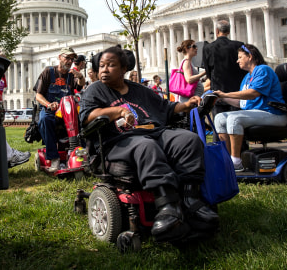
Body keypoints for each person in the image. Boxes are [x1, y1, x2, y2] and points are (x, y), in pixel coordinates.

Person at [79, 46, 219, 244]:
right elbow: (87, 118)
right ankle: (167, 206)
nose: (104, 70)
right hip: (116, 143)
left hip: (153, 132)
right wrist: (117, 111)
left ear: (124, 68)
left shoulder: (140, 90)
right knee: (145, 145)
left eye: (111, 65)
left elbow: (166, 108)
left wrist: (187, 105)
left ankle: (191, 199)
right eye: (101, 65)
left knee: (188, 140)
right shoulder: (95, 90)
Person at [213, 44, 287, 171]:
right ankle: (228, 159)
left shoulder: (263, 70)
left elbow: (253, 94)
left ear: (250, 56)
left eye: (240, 57)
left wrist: (225, 94)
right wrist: (220, 98)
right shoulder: (247, 77)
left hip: (273, 114)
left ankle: (235, 163)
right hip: (257, 113)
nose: (237, 61)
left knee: (234, 119)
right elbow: (241, 103)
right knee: (220, 118)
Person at [35, 47, 85, 172]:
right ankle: (54, 158)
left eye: (72, 59)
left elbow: (79, 87)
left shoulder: (71, 75)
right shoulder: (48, 72)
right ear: (59, 57)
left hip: (68, 111)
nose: (69, 61)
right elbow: (38, 95)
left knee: (85, 119)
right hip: (51, 110)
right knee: (45, 119)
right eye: (67, 58)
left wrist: (80, 77)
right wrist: (48, 104)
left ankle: (83, 152)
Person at [202, 20, 246, 119]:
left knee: (219, 123)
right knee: (237, 123)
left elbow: (208, 71)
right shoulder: (239, 45)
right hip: (237, 92)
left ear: (217, 31)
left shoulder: (208, 48)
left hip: (218, 91)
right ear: (229, 31)